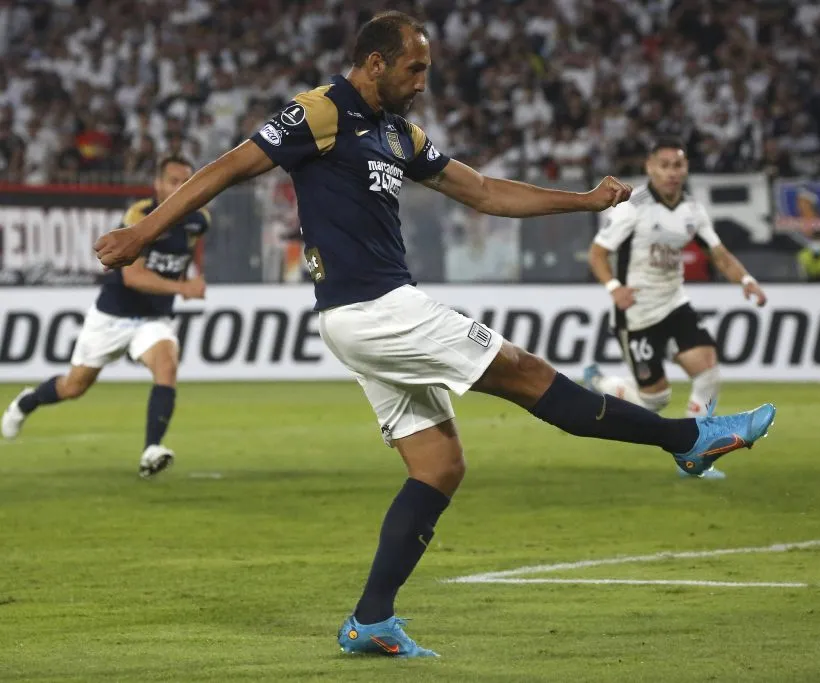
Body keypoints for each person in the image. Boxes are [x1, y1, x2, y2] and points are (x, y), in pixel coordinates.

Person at [92, 12, 776, 658]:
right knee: (530, 374)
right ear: (374, 63)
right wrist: (142, 232)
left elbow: (481, 191)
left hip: (368, 314)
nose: (422, 84)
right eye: (413, 70)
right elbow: (227, 167)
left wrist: (583, 201)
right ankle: (689, 439)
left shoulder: (397, 133)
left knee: (439, 466)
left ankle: (371, 619)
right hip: (376, 307)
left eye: (427, 71)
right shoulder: (322, 110)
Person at [2, 156, 208, 478]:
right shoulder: (139, 217)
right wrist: (183, 288)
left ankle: (151, 451)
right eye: (173, 181)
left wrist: (188, 280)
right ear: (157, 184)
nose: (181, 188)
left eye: (186, 181)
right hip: (113, 315)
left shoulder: (199, 220)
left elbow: (181, 256)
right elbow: (133, 278)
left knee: (167, 365)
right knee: (74, 386)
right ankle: (28, 401)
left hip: (153, 319)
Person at [583, 139, 768, 481]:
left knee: (708, 370)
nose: (671, 172)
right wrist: (614, 288)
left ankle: (695, 451)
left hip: (674, 303)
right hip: (636, 313)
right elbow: (597, 253)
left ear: (686, 169)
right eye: (664, 165)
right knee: (656, 400)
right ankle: (605, 383)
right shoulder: (632, 206)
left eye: (678, 165)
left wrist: (746, 281)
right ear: (650, 167)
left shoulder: (693, 210)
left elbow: (720, 254)